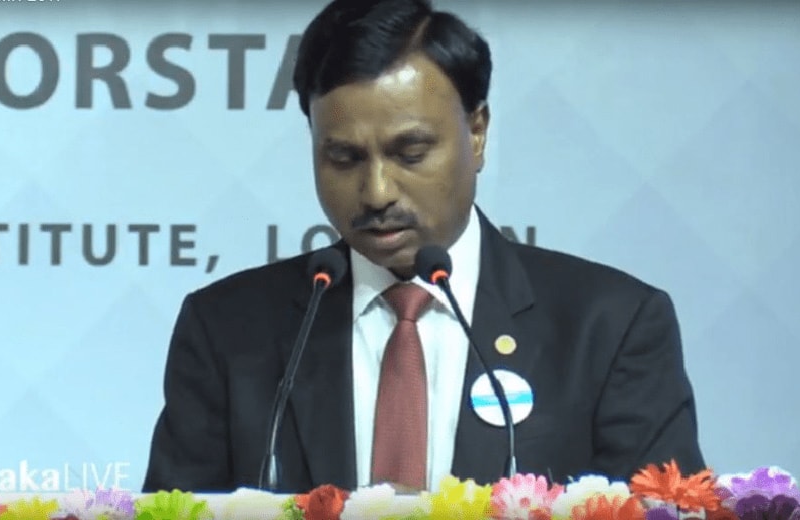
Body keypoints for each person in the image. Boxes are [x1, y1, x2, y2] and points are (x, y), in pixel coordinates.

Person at [142, 0, 705, 494]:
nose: (376, 192)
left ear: (476, 132)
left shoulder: (610, 326)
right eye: (343, 158)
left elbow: (665, 511)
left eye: (409, 153)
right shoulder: (227, 331)